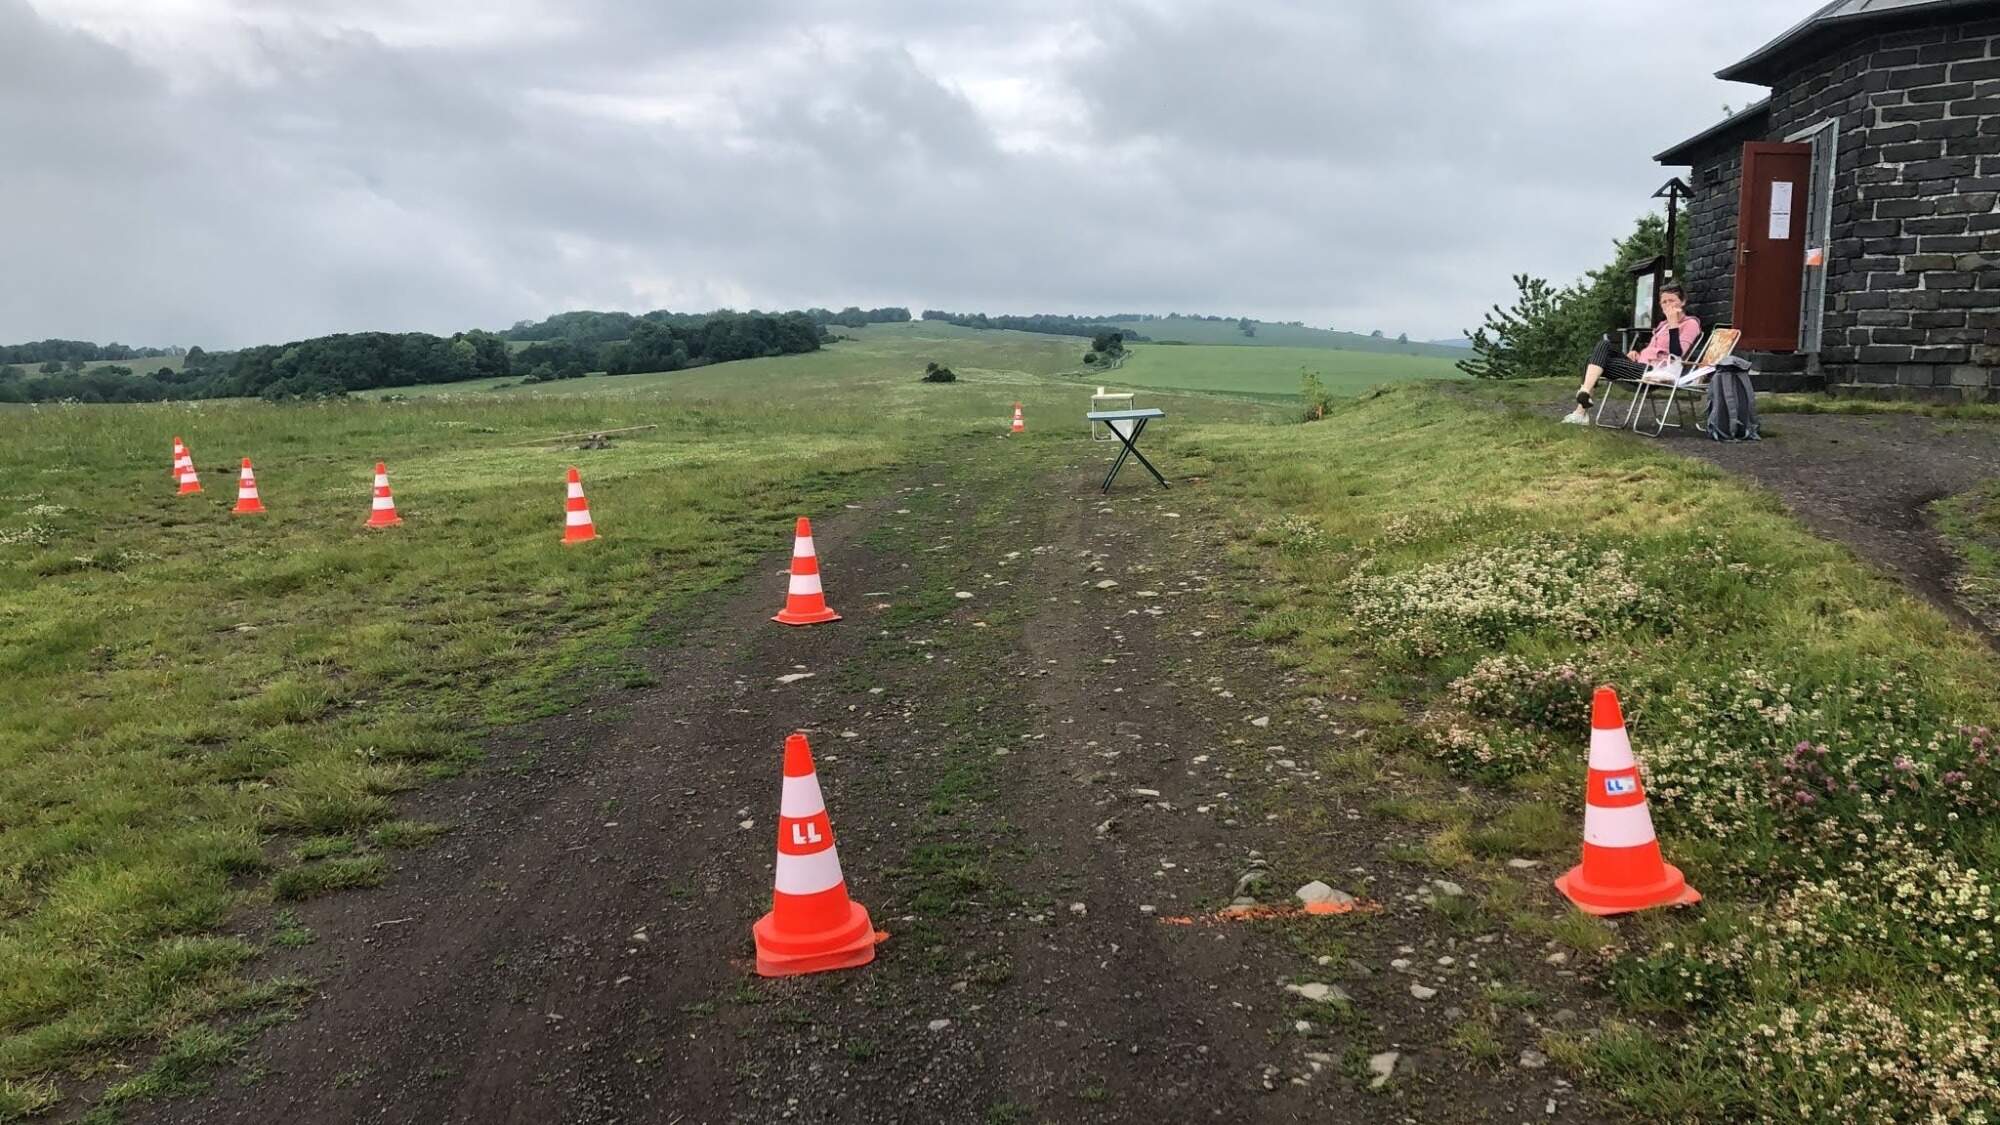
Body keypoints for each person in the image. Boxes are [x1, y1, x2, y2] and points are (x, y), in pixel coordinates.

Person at [1562, 284, 1701, 424]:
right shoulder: (1662, 325)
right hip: (1640, 365)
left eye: (1672, 301)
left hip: (1658, 374)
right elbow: (1653, 350)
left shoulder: (1690, 324)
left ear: (1682, 302)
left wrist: (1673, 324)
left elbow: (1677, 354)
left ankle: (1581, 410)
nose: (1667, 305)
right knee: (1604, 345)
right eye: (1664, 302)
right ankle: (1585, 393)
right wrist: (1637, 354)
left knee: (1595, 361)